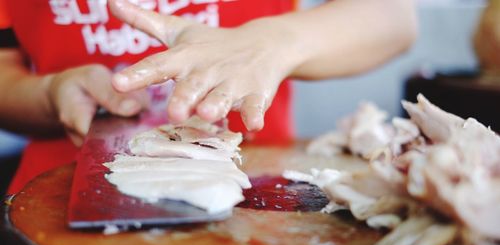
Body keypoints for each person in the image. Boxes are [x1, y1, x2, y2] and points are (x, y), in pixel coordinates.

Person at [0, 0, 416, 194]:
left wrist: (272, 41)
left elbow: (393, 17)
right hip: (57, 199)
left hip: (260, 196)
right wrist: (48, 96)